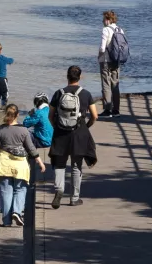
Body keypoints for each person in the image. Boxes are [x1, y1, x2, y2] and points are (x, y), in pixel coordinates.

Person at [0, 105, 47, 227]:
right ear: (17, 115)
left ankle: (6, 221)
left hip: (4, 164)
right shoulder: (24, 130)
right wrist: (40, 162)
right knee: (20, 189)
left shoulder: (0, 129)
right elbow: (31, 148)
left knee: (5, 192)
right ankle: (17, 211)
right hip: (20, 164)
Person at [49, 66, 98, 209]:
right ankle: (74, 198)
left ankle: (59, 190)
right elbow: (95, 116)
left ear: (67, 76)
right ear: (80, 77)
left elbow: (50, 116)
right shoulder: (86, 94)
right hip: (79, 133)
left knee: (59, 164)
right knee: (76, 166)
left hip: (61, 133)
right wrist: (86, 126)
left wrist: (57, 127)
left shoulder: (59, 93)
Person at [98, 10, 125, 118]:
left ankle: (107, 110)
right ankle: (116, 110)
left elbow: (102, 47)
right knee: (115, 83)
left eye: (104, 19)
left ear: (108, 19)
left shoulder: (106, 30)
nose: (102, 21)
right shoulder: (120, 30)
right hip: (117, 59)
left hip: (105, 60)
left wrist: (98, 56)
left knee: (106, 83)